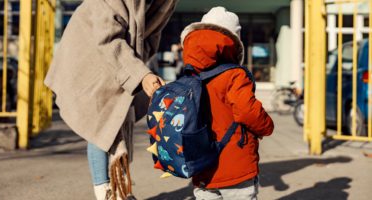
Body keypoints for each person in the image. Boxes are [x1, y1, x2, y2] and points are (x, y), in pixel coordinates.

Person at [44, 0, 178, 199]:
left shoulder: (167, 2)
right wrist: (140, 74)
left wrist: (140, 69)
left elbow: (152, 34)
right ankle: (104, 191)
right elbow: (107, 39)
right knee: (100, 121)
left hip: (124, 57)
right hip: (88, 52)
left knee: (123, 117)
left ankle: (121, 188)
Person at [180, 7, 274, 200]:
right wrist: (267, 127)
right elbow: (247, 111)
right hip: (236, 168)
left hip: (202, 167)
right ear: (234, 41)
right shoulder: (234, 75)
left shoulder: (192, 77)